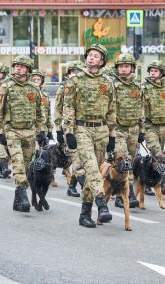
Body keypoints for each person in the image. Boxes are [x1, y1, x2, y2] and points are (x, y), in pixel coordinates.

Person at [62, 44, 116, 228]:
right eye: (90, 55)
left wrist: (112, 135)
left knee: (95, 173)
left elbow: (111, 110)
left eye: (96, 56)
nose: (91, 58)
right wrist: (69, 132)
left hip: (101, 130)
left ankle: (85, 214)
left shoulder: (108, 82)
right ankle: (101, 204)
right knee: (92, 169)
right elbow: (68, 107)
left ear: (102, 61)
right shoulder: (75, 79)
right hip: (81, 129)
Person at [0, 55, 46, 213]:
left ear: (28, 70)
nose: (18, 68)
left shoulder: (34, 88)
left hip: (29, 131)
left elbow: (39, 111)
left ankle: (18, 198)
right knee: (17, 163)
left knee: (26, 165)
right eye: (16, 66)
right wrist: (0, 131)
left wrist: (41, 131)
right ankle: (23, 196)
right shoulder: (6, 86)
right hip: (12, 130)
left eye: (22, 66)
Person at [111, 53, 142, 208]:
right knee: (123, 160)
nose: (123, 69)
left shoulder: (138, 86)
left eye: (126, 66)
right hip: (118, 128)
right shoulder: (112, 85)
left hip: (134, 128)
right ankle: (124, 194)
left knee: (130, 161)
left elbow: (142, 107)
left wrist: (141, 129)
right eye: (121, 67)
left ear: (132, 68)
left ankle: (121, 192)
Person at [54, 61, 86, 197]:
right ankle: (81, 185)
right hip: (69, 127)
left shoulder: (85, 85)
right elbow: (58, 109)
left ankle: (72, 185)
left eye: (77, 71)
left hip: (84, 127)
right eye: (73, 71)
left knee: (81, 158)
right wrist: (59, 130)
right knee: (76, 157)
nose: (75, 74)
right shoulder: (64, 88)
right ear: (68, 73)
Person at [142, 60, 165, 194]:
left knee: (158, 157)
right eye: (151, 70)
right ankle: (158, 183)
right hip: (150, 126)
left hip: (164, 125)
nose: (152, 73)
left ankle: (152, 180)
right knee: (157, 154)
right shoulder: (144, 88)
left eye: (156, 71)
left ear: (161, 73)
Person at [31, 69, 54, 141]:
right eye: (34, 79)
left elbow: (48, 113)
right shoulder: (29, 94)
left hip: (44, 130)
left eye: (38, 79)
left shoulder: (45, 95)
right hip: (32, 130)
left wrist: (50, 130)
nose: (36, 81)